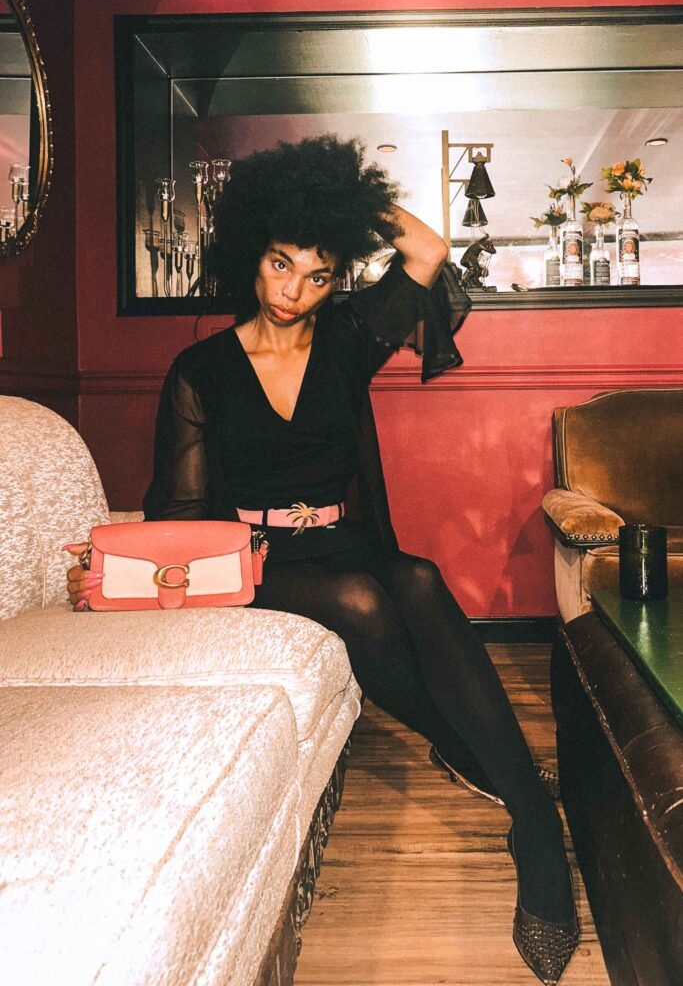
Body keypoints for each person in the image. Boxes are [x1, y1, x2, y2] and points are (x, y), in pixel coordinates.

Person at [67, 136, 578, 984]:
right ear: (250, 254)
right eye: (278, 262)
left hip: (345, 535)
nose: (292, 290)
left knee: (409, 576)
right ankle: (476, 758)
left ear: (335, 278)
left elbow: (426, 250)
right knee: (366, 599)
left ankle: (532, 819)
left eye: (315, 272)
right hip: (259, 558)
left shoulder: (345, 338)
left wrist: (336, 206)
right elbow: (184, 512)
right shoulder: (200, 370)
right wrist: (137, 569)